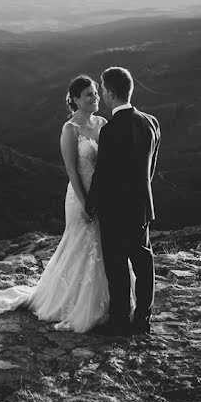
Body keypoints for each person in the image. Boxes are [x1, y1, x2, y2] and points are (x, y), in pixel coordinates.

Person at [0, 75, 112, 332]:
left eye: (95, 93)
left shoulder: (103, 123)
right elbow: (72, 170)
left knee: (105, 244)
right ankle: (74, 302)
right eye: (88, 95)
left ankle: (106, 300)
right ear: (75, 100)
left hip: (104, 194)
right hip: (80, 195)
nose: (95, 98)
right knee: (81, 245)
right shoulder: (70, 129)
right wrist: (85, 203)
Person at [85, 66, 160, 336]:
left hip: (115, 210)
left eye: (103, 90)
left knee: (116, 267)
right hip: (141, 207)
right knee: (143, 264)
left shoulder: (111, 129)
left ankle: (119, 320)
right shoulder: (151, 122)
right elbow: (149, 170)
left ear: (110, 93)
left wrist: (90, 204)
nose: (102, 95)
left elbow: (102, 175)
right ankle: (143, 319)